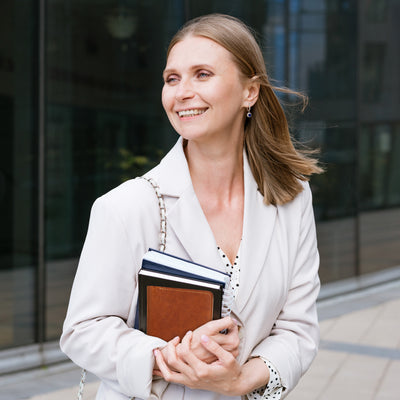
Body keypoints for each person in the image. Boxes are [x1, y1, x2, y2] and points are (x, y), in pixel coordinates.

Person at [60, 13, 322, 400]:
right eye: (172, 78)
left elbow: (298, 331)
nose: (181, 92)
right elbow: (83, 330)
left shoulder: (292, 198)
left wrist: (240, 380)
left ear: (250, 91)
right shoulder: (125, 206)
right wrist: (168, 356)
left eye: (202, 74)